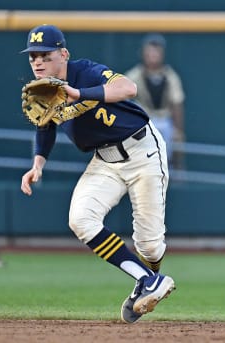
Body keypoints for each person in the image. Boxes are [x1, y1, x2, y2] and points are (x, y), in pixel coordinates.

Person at [19, 24, 175, 324]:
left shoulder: (84, 72)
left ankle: (147, 278)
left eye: (45, 55)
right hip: (104, 160)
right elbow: (45, 127)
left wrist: (78, 93)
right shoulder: (43, 91)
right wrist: (38, 164)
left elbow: (129, 88)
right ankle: (148, 281)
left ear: (63, 54)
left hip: (143, 151)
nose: (38, 62)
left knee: (150, 246)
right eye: (33, 56)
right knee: (80, 219)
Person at [125, 33, 185, 169]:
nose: (153, 54)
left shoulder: (170, 75)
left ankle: (174, 170)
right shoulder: (135, 74)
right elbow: (121, 95)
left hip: (165, 121)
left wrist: (178, 130)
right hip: (145, 120)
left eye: (156, 51)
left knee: (172, 141)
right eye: (150, 50)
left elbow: (177, 103)